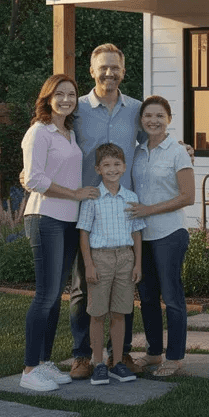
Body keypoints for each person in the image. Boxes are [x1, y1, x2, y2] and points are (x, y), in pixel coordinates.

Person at [19, 74, 99, 392]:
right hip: (45, 218)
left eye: (71, 94)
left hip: (68, 221)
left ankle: (43, 362)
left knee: (54, 299)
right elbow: (35, 180)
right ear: (48, 97)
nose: (66, 99)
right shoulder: (39, 132)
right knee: (44, 296)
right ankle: (28, 370)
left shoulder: (68, 132)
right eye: (60, 94)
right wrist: (77, 195)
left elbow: (40, 173)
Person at [67, 43, 142, 380]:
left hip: (124, 211)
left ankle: (120, 355)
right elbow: (51, 138)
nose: (109, 73)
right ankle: (83, 356)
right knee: (85, 286)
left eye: (115, 68)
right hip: (86, 210)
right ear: (92, 71)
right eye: (103, 68)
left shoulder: (136, 110)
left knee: (124, 287)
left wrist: (183, 149)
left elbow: (155, 137)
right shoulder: (75, 108)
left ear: (123, 72)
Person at [127, 95, 196, 378]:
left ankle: (175, 356)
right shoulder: (138, 151)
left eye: (159, 116)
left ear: (169, 119)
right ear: (141, 121)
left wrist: (149, 209)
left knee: (172, 297)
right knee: (147, 297)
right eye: (148, 116)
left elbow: (188, 196)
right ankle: (154, 353)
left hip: (170, 232)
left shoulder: (177, 152)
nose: (153, 120)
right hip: (142, 236)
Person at [76, 143, 145, 386]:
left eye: (117, 164)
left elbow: (137, 233)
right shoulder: (94, 198)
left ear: (124, 167)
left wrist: (137, 264)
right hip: (100, 258)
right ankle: (98, 364)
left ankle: (116, 363)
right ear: (98, 168)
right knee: (97, 313)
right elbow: (83, 233)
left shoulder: (131, 198)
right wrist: (89, 265)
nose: (112, 169)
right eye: (106, 165)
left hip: (125, 259)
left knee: (120, 312)